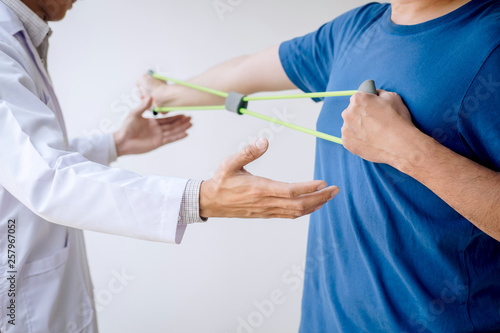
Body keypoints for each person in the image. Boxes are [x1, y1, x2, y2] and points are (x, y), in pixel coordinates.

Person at [141, 0, 500, 331]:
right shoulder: (357, 28)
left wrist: (409, 151)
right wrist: (166, 95)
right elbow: (242, 72)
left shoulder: (491, 42)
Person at [0, 0, 339, 331]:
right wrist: (201, 198)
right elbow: (44, 176)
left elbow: (23, 158)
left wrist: (115, 143)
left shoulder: (22, 38)